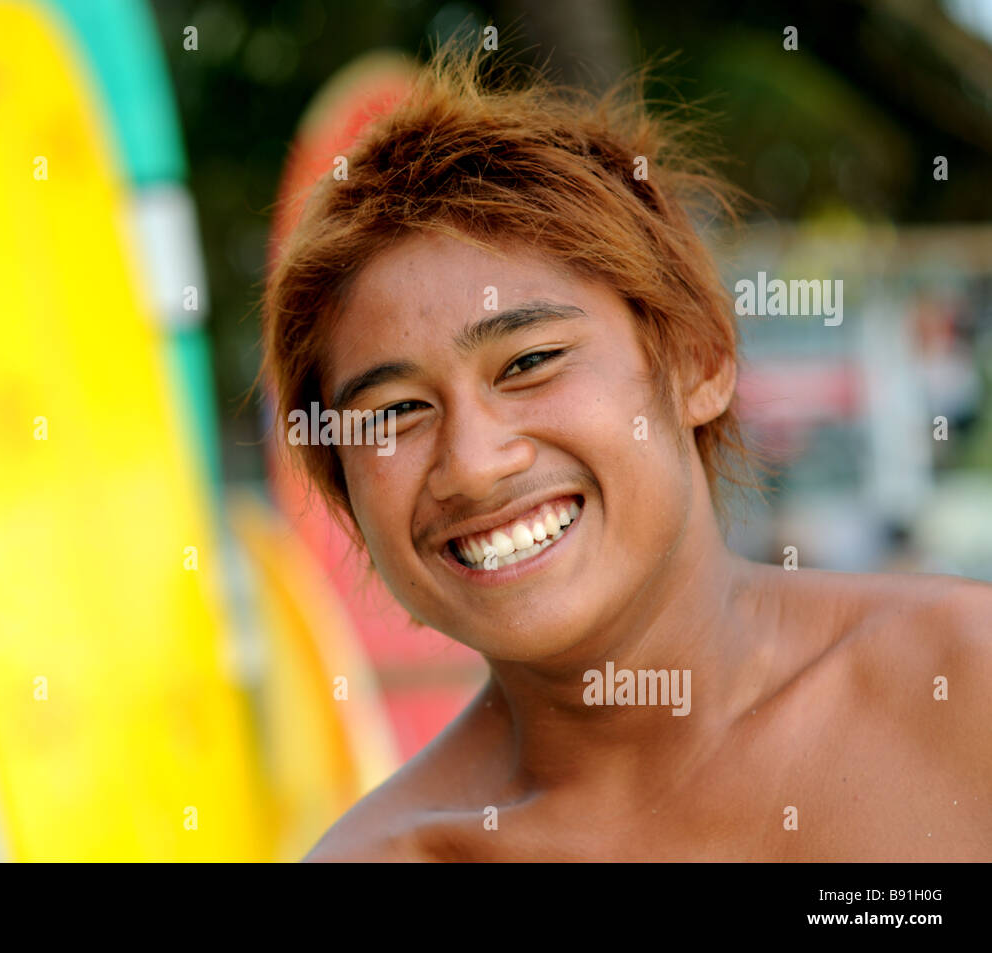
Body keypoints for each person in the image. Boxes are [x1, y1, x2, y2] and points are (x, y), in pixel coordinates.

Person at [260, 43, 992, 861]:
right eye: (396, 412)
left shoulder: (963, 687)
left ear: (699, 361)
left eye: (530, 362)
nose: (472, 463)